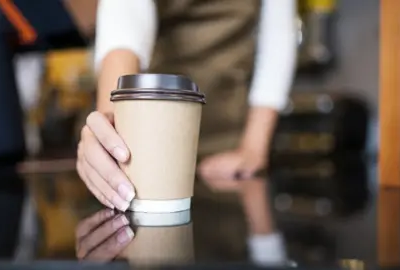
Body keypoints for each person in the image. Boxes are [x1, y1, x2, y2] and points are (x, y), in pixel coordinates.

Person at [77, 0, 297, 211]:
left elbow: (277, 34)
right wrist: (110, 126)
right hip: (148, 147)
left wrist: (252, 149)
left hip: (226, 148)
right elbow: (126, 17)